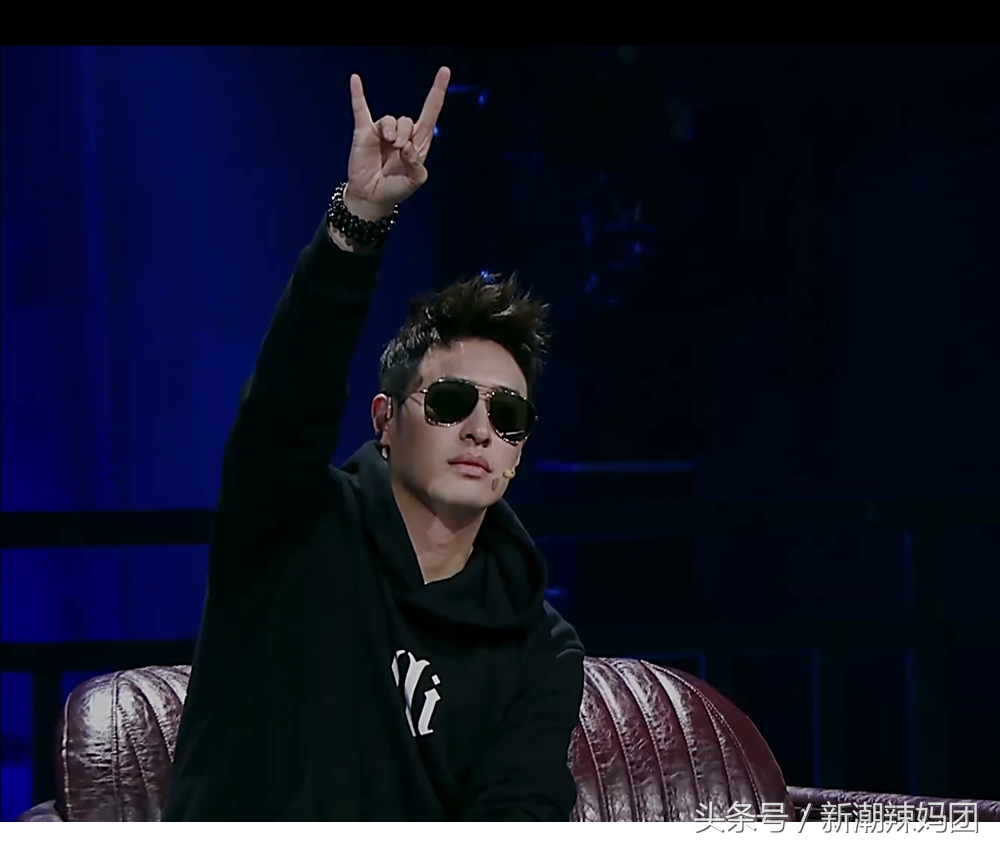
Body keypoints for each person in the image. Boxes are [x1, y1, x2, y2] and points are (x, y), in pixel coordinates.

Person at [163, 67, 585, 822]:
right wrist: (359, 219)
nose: (480, 430)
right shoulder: (292, 527)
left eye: (508, 416)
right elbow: (287, 403)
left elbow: (520, 808)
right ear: (386, 421)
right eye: (451, 402)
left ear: (519, 451)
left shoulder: (540, 644)